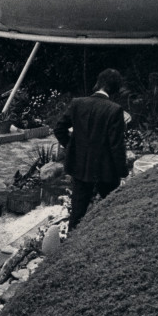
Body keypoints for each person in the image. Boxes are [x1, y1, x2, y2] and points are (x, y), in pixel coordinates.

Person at [54, 68, 128, 230]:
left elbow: (59, 129)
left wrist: (73, 148)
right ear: (114, 89)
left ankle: (69, 249)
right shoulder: (115, 110)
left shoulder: (77, 103)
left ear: (99, 83)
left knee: (77, 214)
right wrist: (123, 173)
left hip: (80, 167)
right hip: (105, 171)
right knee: (112, 210)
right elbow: (117, 146)